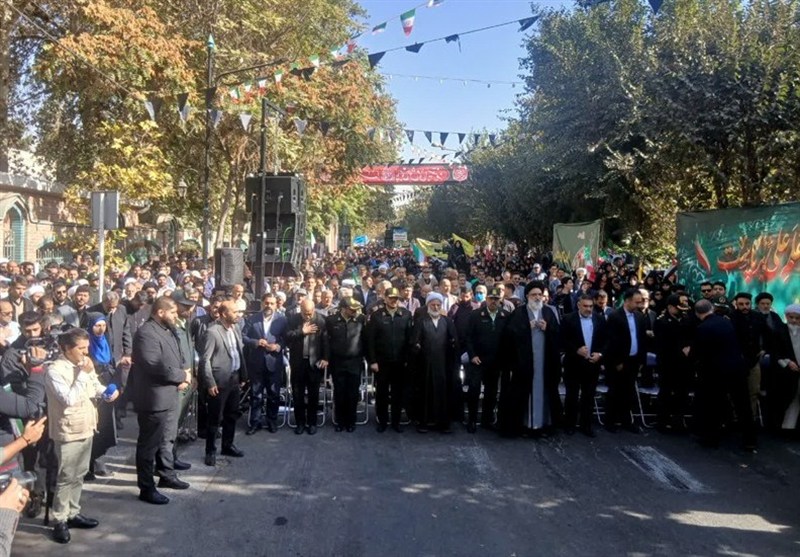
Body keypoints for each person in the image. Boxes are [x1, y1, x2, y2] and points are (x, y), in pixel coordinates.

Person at [45, 328, 119, 544]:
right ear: (66, 349)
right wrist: (84, 374)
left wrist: (106, 392)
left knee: (80, 473)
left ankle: (73, 512)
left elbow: (93, 385)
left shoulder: (85, 364)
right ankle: (60, 519)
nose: (86, 353)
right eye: (81, 348)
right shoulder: (55, 371)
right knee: (66, 476)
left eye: (87, 348)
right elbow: (68, 399)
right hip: (68, 431)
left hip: (87, 425)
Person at [131, 297, 192, 506]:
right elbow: (153, 365)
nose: (176, 315)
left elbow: (178, 354)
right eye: (172, 312)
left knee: (167, 438)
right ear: (160, 312)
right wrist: (181, 376)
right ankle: (146, 487)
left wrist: (183, 375)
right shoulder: (146, 333)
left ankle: (167, 474)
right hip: (153, 398)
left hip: (170, 393)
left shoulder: (168, 329)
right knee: (149, 445)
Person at [688, 299, 756, 451]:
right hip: (737, 368)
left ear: (697, 313)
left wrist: (690, 354)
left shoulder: (703, 328)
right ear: (712, 309)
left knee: (713, 405)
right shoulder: (726, 322)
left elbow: (698, 352)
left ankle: (711, 438)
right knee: (742, 405)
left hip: (716, 372)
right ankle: (750, 439)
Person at [501, 281, 562, 438]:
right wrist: (526, 327)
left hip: (544, 363)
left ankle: (542, 425)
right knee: (522, 393)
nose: (537, 297)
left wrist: (547, 328)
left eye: (539, 295)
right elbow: (509, 335)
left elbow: (558, 334)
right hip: (524, 364)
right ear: (527, 296)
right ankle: (524, 425)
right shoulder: (519, 313)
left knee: (545, 392)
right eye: (534, 295)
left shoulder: (548, 312)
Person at [201, 300, 248, 465]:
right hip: (219, 382)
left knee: (232, 415)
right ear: (223, 314)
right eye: (234, 312)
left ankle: (227, 445)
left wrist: (243, 376)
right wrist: (210, 382)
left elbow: (239, 353)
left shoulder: (235, 329)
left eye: (238, 312)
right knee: (215, 418)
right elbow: (205, 360)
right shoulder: (212, 332)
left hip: (234, 379)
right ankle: (210, 451)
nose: (238, 315)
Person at [366, 287, 413, 433]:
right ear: (385, 298)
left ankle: (396, 421)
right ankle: (382, 421)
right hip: (382, 362)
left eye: (396, 298)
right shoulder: (377, 316)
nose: (394, 300)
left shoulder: (406, 314)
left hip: (400, 362)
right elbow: (370, 340)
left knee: (398, 393)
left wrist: (408, 359)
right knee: (382, 393)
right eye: (391, 298)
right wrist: (372, 360)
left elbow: (410, 339)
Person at [560, 293, 608, 437]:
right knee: (572, 395)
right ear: (578, 305)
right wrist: (576, 350)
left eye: (591, 306)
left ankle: (586, 425)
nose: (588, 309)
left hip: (592, 363)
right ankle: (570, 424)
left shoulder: (599, 319)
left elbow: (606, 340)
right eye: (585, 306)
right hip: (573, 363)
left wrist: (600, 354)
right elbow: (561, 340)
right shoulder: (568, 319)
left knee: (589, 395)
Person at [410, 292, 458, 433]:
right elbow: (414, 341)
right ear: (428, 305)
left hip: (443, 364)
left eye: (438, 305)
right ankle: (424, 422)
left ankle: (442, 423)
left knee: (443, 393)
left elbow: (454, 340)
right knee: (425, 393)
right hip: (425, 364)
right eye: (433, 305)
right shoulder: (421, 321)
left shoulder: (447, 321)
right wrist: (417, 348)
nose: (436, 307)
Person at [464, 287, 510, 433]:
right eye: (491, 298)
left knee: (491, 392)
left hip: (495, 361)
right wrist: (472, 355)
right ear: (486, 299)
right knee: (474, 390)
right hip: (478, 360)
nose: (493, 301)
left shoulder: (505, 315)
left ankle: (487, 420)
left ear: (500, 300)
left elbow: (508, 339)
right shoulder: (475, 315)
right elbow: (468, 337)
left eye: (496, 299)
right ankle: (472, 420)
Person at [604, 289, 648, 433]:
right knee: (614, 391)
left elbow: (642, 339)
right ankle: (610, 421)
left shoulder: (640, 317)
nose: (639, 305)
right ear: (627, 301)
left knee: (629, 392)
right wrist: (617, 362)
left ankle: (626, 420)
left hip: (634, 360)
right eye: (636, 302)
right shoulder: (615, 316)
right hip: (618, 362)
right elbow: (611, 341)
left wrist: (641, 360)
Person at [243, 293, 287, 435]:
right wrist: (255, 342)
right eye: (266, 303)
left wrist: (278, 346)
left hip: (274, 361)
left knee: (273, 394)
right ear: (262, 303)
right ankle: (255, 422)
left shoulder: (282, 319)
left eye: (272, 303)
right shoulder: (253, 318)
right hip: (256, 361)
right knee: (256, 394)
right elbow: (243, 336)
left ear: (276, 304)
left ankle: (272, 421)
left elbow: (287, 338)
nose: (269, 306)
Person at [285, 299, 329, 434]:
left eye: (310, 313)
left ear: (314, 309)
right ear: (301, 310)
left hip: (314, 363)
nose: (308, 316)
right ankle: (300, 423)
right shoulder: (293, 319)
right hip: (298, 362)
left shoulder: (321, 320)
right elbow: (287, 337)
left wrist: (325, 358)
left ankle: (312, 423)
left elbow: (325, 340)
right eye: (305, 313)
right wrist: (302, 332)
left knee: (313, 395)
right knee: (297, 394)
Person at [325, 297, 367, 432]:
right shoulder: (331, 320)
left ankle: (351, 421)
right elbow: (326, 340)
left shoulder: (361, 319)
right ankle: (340, 421)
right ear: (343, 309)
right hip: (337, 361)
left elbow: (365, 339)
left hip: (355, 361)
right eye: (352, 309)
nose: (355, 311)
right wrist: (326, 358)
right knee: (339, 392)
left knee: (353, 393)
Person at [84, 313, 117, 481]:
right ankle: (88, 467)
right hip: (92, 392)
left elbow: (111, 363)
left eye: (103, 325)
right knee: (94, 428)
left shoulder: (106, 340)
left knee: (105, 427)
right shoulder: (86, 344)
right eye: (97, 325)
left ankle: (97, 461)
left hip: (107, 389)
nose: (101, 329)